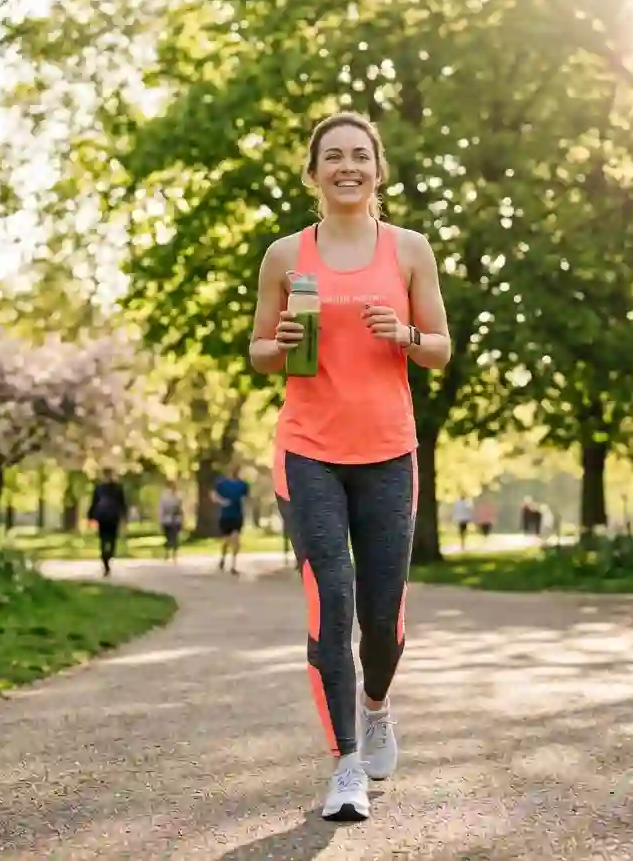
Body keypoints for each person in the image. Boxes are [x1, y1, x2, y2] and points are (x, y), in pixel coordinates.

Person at [249, 111, 451, 822]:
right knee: (330, 605)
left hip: (389, 453)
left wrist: (406, 333)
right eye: (332, 156)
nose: (346, 166)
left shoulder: (409, 250)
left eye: (359, 156)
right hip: (308, 452)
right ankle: (344, 767)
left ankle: (376, 708)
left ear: (378, 169)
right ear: (313, 172)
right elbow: (260, 352)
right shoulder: (284, 255)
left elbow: (440, 348)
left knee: (382, 620)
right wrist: (283, 341)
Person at [87, 469, 127, 577]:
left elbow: (95, 503)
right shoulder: (115, 488)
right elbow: (122, 504)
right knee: (109, 540)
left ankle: (106, 559)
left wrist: (90, 516)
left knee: (106, 540)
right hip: (109, 518)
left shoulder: (102, 488)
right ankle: (107, 559)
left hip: (106, 518)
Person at [211, 464, 249, 573]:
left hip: (237, 515)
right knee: (226, 540)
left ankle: (233, 565)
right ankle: (223, 558)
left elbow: (246, 497)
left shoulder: (243, 485)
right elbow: (213, 495)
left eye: (237, 470)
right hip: (225, 515)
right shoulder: (222, 483)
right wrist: (222, 501)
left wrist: (244, 501)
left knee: (236, 539)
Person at [158, 482, 184, 562]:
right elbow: (161, 508)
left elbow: (181, 508)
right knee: (168, 537)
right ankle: (167, 552)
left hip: (176, 519)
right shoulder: (165, 496)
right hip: (167, 519)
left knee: (175, 537)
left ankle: (174, 554)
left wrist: (182, 518)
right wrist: (161, 519)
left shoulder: (179, 496)